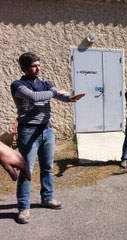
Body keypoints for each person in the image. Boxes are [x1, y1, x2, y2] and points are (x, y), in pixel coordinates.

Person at [11, 52, 85, 224]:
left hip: (46, 130)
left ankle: (47, 198)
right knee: (26, 170)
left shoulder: (45, 84)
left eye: (39, 65)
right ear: (24, 68)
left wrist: (70, 98)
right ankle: (23, 207)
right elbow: (34, 97)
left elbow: (60, 96)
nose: (38, 69)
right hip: (28, 131)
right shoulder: (17, 85)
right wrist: (53, 92)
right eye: (33, 66)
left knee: (47, 167)